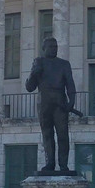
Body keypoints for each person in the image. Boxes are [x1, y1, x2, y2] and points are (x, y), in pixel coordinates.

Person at [24, 37, 77, 173]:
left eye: (56, 46)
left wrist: (72, 101)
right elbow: (30, 87)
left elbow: (70, 84)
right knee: (47, 134)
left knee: (63, 135)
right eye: (51, 46)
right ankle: (50, 163)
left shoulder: (64, 64)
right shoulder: (39, 62)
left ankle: (63, 165)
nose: (54, 49)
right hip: (44, 101)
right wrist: (34, 74)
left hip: (60, 100)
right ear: (44, 48)